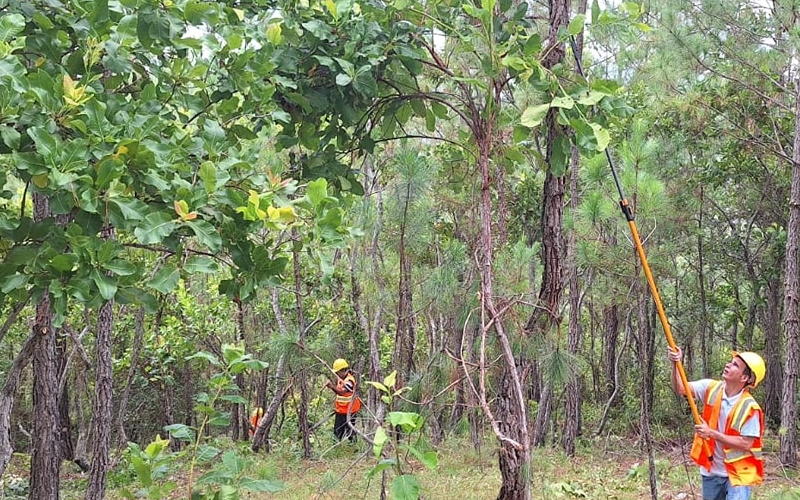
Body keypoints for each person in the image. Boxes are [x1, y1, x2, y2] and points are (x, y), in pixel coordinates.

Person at [668, 347, 766, 500]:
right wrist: (675, 363)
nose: (728, 365)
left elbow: (746, 444)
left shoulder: (750, 408)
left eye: (735, 365)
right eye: (731, 362)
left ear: (744, 378)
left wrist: (711, 433)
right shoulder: (711, 387)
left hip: (737, 475)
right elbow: (680, 387)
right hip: (711, 471)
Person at [324, 358, 361, 442]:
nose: (336, 374)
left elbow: (342, 393)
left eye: (337, 372)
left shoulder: (349, 381)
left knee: (350, 432)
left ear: (343, 370)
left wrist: (331, 386)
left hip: (350, 411)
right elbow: (339, 394)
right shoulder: (341, 379)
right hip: (341, 411)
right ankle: (336, 450)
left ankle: (354, 449)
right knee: (337, 433)